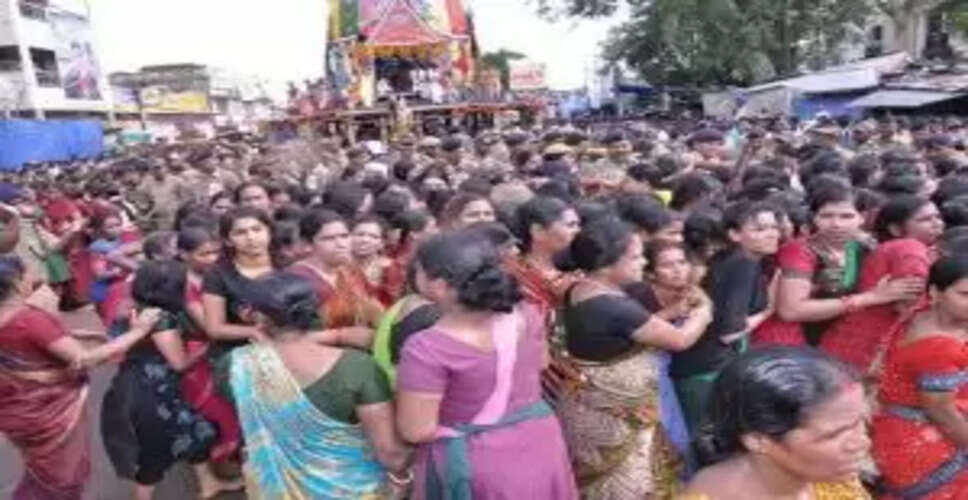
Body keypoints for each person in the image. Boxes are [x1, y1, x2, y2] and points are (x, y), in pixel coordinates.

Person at [395, 229, 579, 499]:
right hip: (537, 439)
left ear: (438, 285)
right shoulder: (525, 314)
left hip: (477, 459)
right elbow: (541, 363)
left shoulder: (427, 347)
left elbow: (417, 430)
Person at [557, 217, 713, 498]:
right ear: (607, 264)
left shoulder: (582, 289)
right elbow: (680, 340)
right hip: (616, 416)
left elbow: (627, 330)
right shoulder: (613, 305)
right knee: (632, 483)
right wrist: (703, 312)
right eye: (636, 257)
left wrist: (670, 313)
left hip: (595, 405)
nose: (643, 263)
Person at [220, 272, 411, 498]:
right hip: (353, 490)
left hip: (274, 489)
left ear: (257, 317)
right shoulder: (357, 368)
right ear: (314, 311)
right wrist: (402, 478)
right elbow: (389, 453)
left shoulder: (234, 365)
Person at [0, 255, 162, 499]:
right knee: (62, 477)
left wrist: (71, 335)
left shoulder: (18, 318)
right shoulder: (29, 320)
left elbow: (28, 347)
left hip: (18, 412)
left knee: (40, 469)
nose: (33, 277)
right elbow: (83, 359)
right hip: (50, 414)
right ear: (16, 282)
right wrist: (138, 331)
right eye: (27, 273)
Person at [101, 261, 240, 500]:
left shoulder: (132, 306)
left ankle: (209, 483)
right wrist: (206, 349)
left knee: (193, 432)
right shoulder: (162, 319)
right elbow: (180, 363)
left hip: (134, 383)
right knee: (154, 456)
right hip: (153, 393)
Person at [677, 347, 871, 499]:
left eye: (861, 421)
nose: (863, 442)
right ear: (758, 439)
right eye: (834, 434)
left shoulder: (830, 472)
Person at [672, 201, 780, 435]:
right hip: (707, 369)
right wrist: (768, 311)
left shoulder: (727, 259)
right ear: (734, 234)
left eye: (774, 226)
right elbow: (730, 331)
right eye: (759, 229)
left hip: (695, 363)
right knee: (705, 438)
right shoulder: (743, 264)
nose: (771, 233)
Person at [873, 255, 968, 499]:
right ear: (935, 292)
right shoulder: (941, 347)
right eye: (965, 294)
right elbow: (943, 415)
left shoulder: (922, 311)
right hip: (927, 440)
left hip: (894, 428)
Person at [820, 195, 941, 373]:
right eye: (925, 219)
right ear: (896, 229)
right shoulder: (908, 247)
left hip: (851, 341)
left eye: (937, 216)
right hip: (870, 347)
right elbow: (909, 305)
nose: (936, 223)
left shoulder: (894, 248)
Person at [753, 183, 880, 346]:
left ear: (862, 217)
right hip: (796, 339)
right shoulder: (799, 251)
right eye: (826, 216)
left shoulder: (863, 247)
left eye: (846, 216)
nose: (836, 224)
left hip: (840, 333)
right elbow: (791, 311)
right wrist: (868, 299)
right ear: (814, 217)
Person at [289, 209, 384, 333]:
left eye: (344, 236)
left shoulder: (350, 271)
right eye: (329, 238)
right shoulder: (296, 279)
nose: (341, 244)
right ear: (308, 244)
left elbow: (372, 308)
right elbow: (291, 335)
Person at [202, 207, 276, 360]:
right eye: (240, 233)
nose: (251, 237)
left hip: (288, 351)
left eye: (257, 229)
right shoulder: (218, 275)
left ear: (269, 232)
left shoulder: (288, 267)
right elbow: (215, 328)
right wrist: (253, 332)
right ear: (228, 240)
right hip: (239, 357)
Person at [351, 215, 393, 305]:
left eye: (373, 237)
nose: (365, 240)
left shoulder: (390, 270)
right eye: (360, 234)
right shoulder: (336, 266)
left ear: (382, 243)